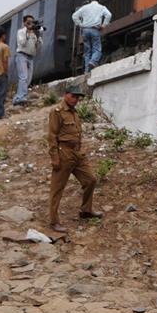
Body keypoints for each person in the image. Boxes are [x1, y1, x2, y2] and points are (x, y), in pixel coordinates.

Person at [47, 84, 100, 232]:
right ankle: (53, 221)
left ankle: (86, 211)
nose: (76, 100)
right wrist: (54, 157)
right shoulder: (57, 112)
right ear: (66, 94)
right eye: (73, 96)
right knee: (57, 189)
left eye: (78, 97)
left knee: (90, 180)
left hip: (77, 153)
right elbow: (52, 136)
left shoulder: (75, 113)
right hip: (64, 153)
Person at [71, 0, 111, 74]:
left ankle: (87, 71)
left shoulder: (85, 7)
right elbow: (109, 15)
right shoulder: (101, 7)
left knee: (87, 51)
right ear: (99, 1)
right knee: (97, 49)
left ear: (91, 0)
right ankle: (93, 61)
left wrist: (80, 24)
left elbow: (74, 16)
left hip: (85, 31)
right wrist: (103, 25)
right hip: (95, 30)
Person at [12, 15, 43, 106]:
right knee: (23, 77)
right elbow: (22, 43)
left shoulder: (34, 34)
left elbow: (39, 48)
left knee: (28, 78)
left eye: (32, 22)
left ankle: (17, 98)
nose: (30, 24)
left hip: (31, 57)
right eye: (28, 22)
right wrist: (28, 33)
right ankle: (21, 97)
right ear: (24, 23)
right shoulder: (21, 32)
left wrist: (39, 36)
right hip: (22, 55)